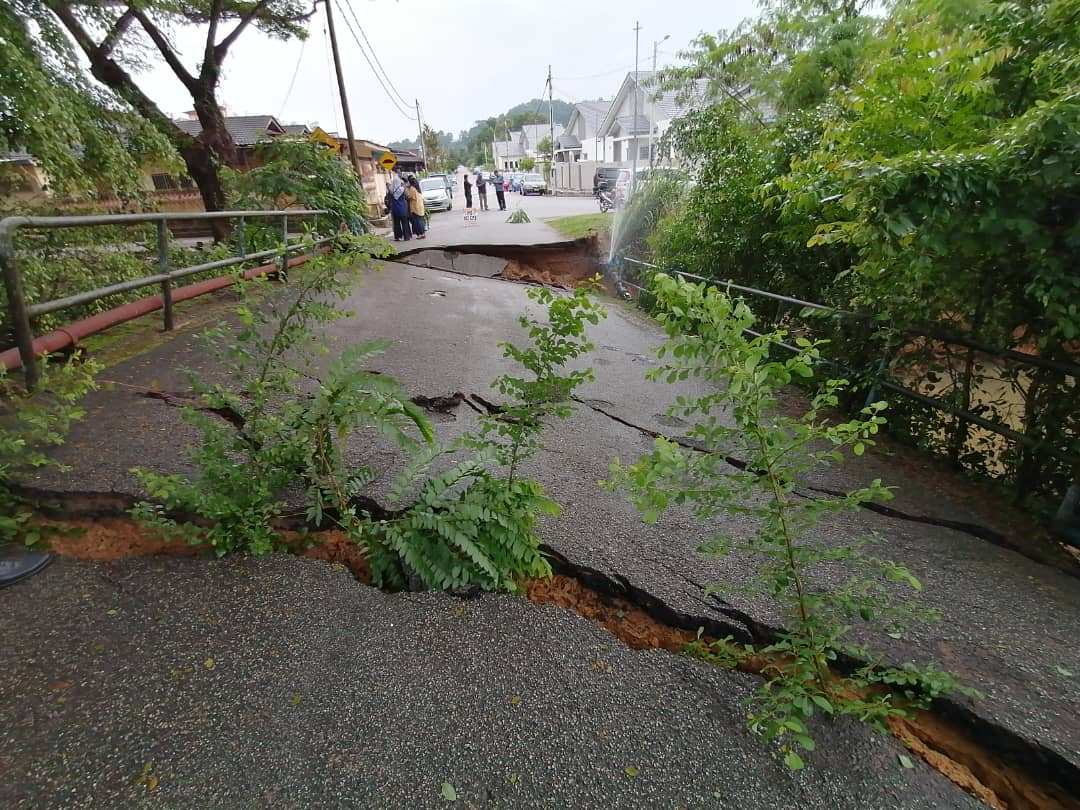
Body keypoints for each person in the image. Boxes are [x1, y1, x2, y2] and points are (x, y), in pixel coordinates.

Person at [388, 173, 411, 241]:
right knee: (405, 223)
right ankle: (406, 237)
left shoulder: (391, 189)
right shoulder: (402, 188)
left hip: (394, 208)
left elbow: (389, 197)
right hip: (402, 208)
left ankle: (397, 237)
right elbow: (407, 196)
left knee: (396, 224)